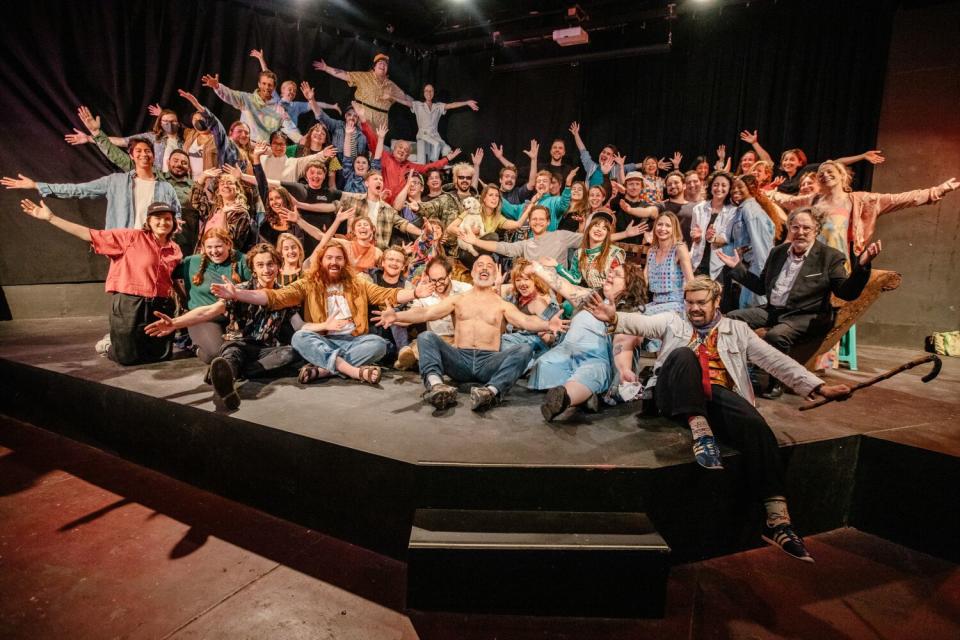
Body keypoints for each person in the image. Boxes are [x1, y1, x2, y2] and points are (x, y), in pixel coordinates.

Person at [587, 275, 853, 561]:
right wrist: (614, 318)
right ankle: (701, 431)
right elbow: (640, 324)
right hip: (671, 395)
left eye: (701, 303)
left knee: (755, 424)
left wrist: (817, 386)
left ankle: (777, 519)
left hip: (713, 395)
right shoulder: (673, 322)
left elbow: (774, 360)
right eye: (690, 302)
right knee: (683, 356)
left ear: (716, 302)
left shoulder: (737, 330)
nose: (694, 308)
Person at [212, 241, 433, 385]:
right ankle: (352, 371)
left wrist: (415, 292)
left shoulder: (358, 284)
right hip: (322, 339)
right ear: (322, 261)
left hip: (353, 341)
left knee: (379, 344)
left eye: (338, 258)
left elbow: (387, 294)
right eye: (329, 258)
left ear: (344, 261)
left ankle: (325, 369)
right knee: (299, 337)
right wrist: (238, 295)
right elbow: (274, 297)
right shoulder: (308, 283)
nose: (334, 262)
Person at [720, 208, 883, 397]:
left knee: (776, 336)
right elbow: (761, 287)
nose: (800, 232)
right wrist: (737, 268)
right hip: (774, 310)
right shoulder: (778, 252)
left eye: (806, 227)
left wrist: (862, 266)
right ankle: (734, 370)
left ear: (816, 230)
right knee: (731, 320)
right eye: (796, 227)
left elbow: (846, 292)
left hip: (806, 314)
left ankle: (777, 382)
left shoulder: (829, 256)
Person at [374, 254, 565, 412]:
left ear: (495, 273)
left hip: (489, 362)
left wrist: (548, 324)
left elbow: (526, 321)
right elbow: (426, 312)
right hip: (460, 359)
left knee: (524, 349)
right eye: (479, 265)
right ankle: (436, 386)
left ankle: (491, 392)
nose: (484, 268)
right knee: (425, 337)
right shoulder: (458, 299)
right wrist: (396, 315)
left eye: (489, 266)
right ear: (472, 272)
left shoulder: (502, 304)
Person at [18, 199, 181, 365]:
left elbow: (174, 279)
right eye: (157, 218)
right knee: (126, 357)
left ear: (173, 222)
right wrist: (51, 218)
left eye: (167, 218)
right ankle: (110, 344)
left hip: (160, 305)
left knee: (161, 356)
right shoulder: (130, 237)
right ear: (149, 221)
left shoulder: (175, 248)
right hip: (130, 302)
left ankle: (125, 342)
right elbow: (89, 234)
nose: (163, 222)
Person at [146, 242, 301, 409]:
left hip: (263, 350)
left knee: (290, 353)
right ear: (253, 269)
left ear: (278, 266)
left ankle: (228, 373)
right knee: (231, 355)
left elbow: (300, 325)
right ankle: (227, 386)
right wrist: (175, 323)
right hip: (238, 344)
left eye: (270, 264)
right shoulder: (238, 290)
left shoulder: (285, 295)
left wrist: (327, 328)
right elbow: (208, 311)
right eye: (260, 265)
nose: (266, 269)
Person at [525, 259, 646, 421]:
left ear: (629, 284)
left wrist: (624, 369)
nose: (610, 274)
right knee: (543, 365)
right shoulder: (592, 298)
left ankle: (564, 399)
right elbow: (566, 287)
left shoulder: (631, 312)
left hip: (594, 358)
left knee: (588, 375)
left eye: (617, 274)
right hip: (566, 352)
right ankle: (587, 396)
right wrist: (538, 269)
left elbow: (624, 342)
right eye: (611, 271)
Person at [771, 161, 959, 261]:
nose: (826, 175)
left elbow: (898, 199)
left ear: (841, 176)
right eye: (822, 173)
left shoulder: (859, 201)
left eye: (830, 172)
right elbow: (786, 200)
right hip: (809, 258)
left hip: (835, 260)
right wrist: (765, 193)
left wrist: (936, 191)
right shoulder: (814, 200)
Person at [3, 138, 181, 230]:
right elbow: (79, 190)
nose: (144, 154)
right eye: (139, 151)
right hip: (123, 242)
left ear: (153, 155)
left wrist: (176, 224)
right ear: (131, 155)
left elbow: (176, 217)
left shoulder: (166, 188)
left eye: (147, 151)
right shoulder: (115, 181)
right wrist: (36, 185)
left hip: (154, 243)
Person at [461, 205, 643, 270]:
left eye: (542, 219)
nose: (538, 222)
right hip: (532, 283)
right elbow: (504, 248)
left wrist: (625, 234)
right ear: (530, 222)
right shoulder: (526, 243)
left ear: (548, 222)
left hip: (556, 284)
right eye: (534, 219)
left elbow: (593, 237)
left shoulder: (561, 236)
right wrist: (476, 241)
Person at [354, 102, 459, 204]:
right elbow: (373, 140)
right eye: (400, 147)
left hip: (400, 205)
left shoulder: (410, 166)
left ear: (408, 156)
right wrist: (363, 119)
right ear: (394, 149)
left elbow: (428, 167)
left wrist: (447, 159)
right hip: (382, 201)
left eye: (406, 151)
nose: (402, 150)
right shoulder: (385, 156)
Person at [174, 228, 251, 363]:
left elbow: (253, 287)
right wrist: (181, 295)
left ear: (228, 244)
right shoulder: (191, 262)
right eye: (209, 247)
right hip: (203, 317)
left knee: (245, 353)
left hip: (234, 317)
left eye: (218, 246)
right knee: (216, 354)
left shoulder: (242, 260)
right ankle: (193, 346)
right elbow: (167, 273)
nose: (214, 251)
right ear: (203, 247)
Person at [312, 53, 412, 129]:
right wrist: (326, 68)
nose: (383, 65)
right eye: (380, 63)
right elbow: (345, 75)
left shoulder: (391, 85)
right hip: (362, 117)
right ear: (374, 66)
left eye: (385, 64)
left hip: (381, 122)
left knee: (375, 150)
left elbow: (404, 97)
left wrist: (419, 105)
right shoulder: (363, 76)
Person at [201, 68, 300, 144]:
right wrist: (217, 87)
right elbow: (230, 95)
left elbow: (291, 129)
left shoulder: (279, 109)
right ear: (259, 84)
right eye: (264, 83)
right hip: (243, 145)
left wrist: (304, 139)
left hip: (262, 150)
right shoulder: (247, 99)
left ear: (274, 87)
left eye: (270, 85)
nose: (266, 87)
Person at [730, 175, 781, 308]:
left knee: (753, 309)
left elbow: (761, 246)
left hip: (756, 270)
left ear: (750, 188)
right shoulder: (743, 209)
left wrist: (762, 279)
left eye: (740, 187)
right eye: (733, 188)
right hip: (749, 269)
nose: (735, 190)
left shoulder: (750, 210)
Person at [391, 84, 478, 163]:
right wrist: (391, 97)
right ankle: (433, 166)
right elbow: (405, 102)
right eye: (426, 91)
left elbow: (452, 105)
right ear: (424, 93)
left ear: (433, 93)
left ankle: (442, 167)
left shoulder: (438, 106)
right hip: (423, 134)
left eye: (431, 90)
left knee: (447, 149)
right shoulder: (418, 105)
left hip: (435, 135)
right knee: (436, 144)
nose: (429, 93)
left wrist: (467, 103)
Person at [556, 212, 626, 289]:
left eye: (604, 228)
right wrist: (557, 266)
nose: (599, 230)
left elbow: (619, 283)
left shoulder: (614, 253)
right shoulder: (579, 253)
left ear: (607, 234)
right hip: (589, 294)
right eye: (596, 225)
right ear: (589, 229)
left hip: (608, 296)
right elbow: (575, 279)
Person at [190, 169, 254, 252]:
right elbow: (196, 201)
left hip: (224, 259)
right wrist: (203, 177)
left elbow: (230, 239)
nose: (226, 186)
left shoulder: (240, 213)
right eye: (222, 184)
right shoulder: (213, 209)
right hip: (204, 255)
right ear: (218, 191)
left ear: (238, 189)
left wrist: (224, 213)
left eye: (230, 183)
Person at [689, 171, 738, 280]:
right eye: (716, 185)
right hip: (698, 261)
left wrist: (713, 238)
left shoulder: (733, 211)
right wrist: (695, 236)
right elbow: (694, 232)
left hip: (720, 264)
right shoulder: (698, 208)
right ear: (710, 187)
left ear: (730, 189)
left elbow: (727, 238)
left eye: (724, 185)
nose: (719, 188)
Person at [488, 140, 538, 204]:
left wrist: (534, 159)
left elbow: (532, 183)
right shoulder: (493, 194)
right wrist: (500, 157)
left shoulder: (518, 193)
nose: (510, 179)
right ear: (500, 180)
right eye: (507, 176)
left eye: (513, 177)